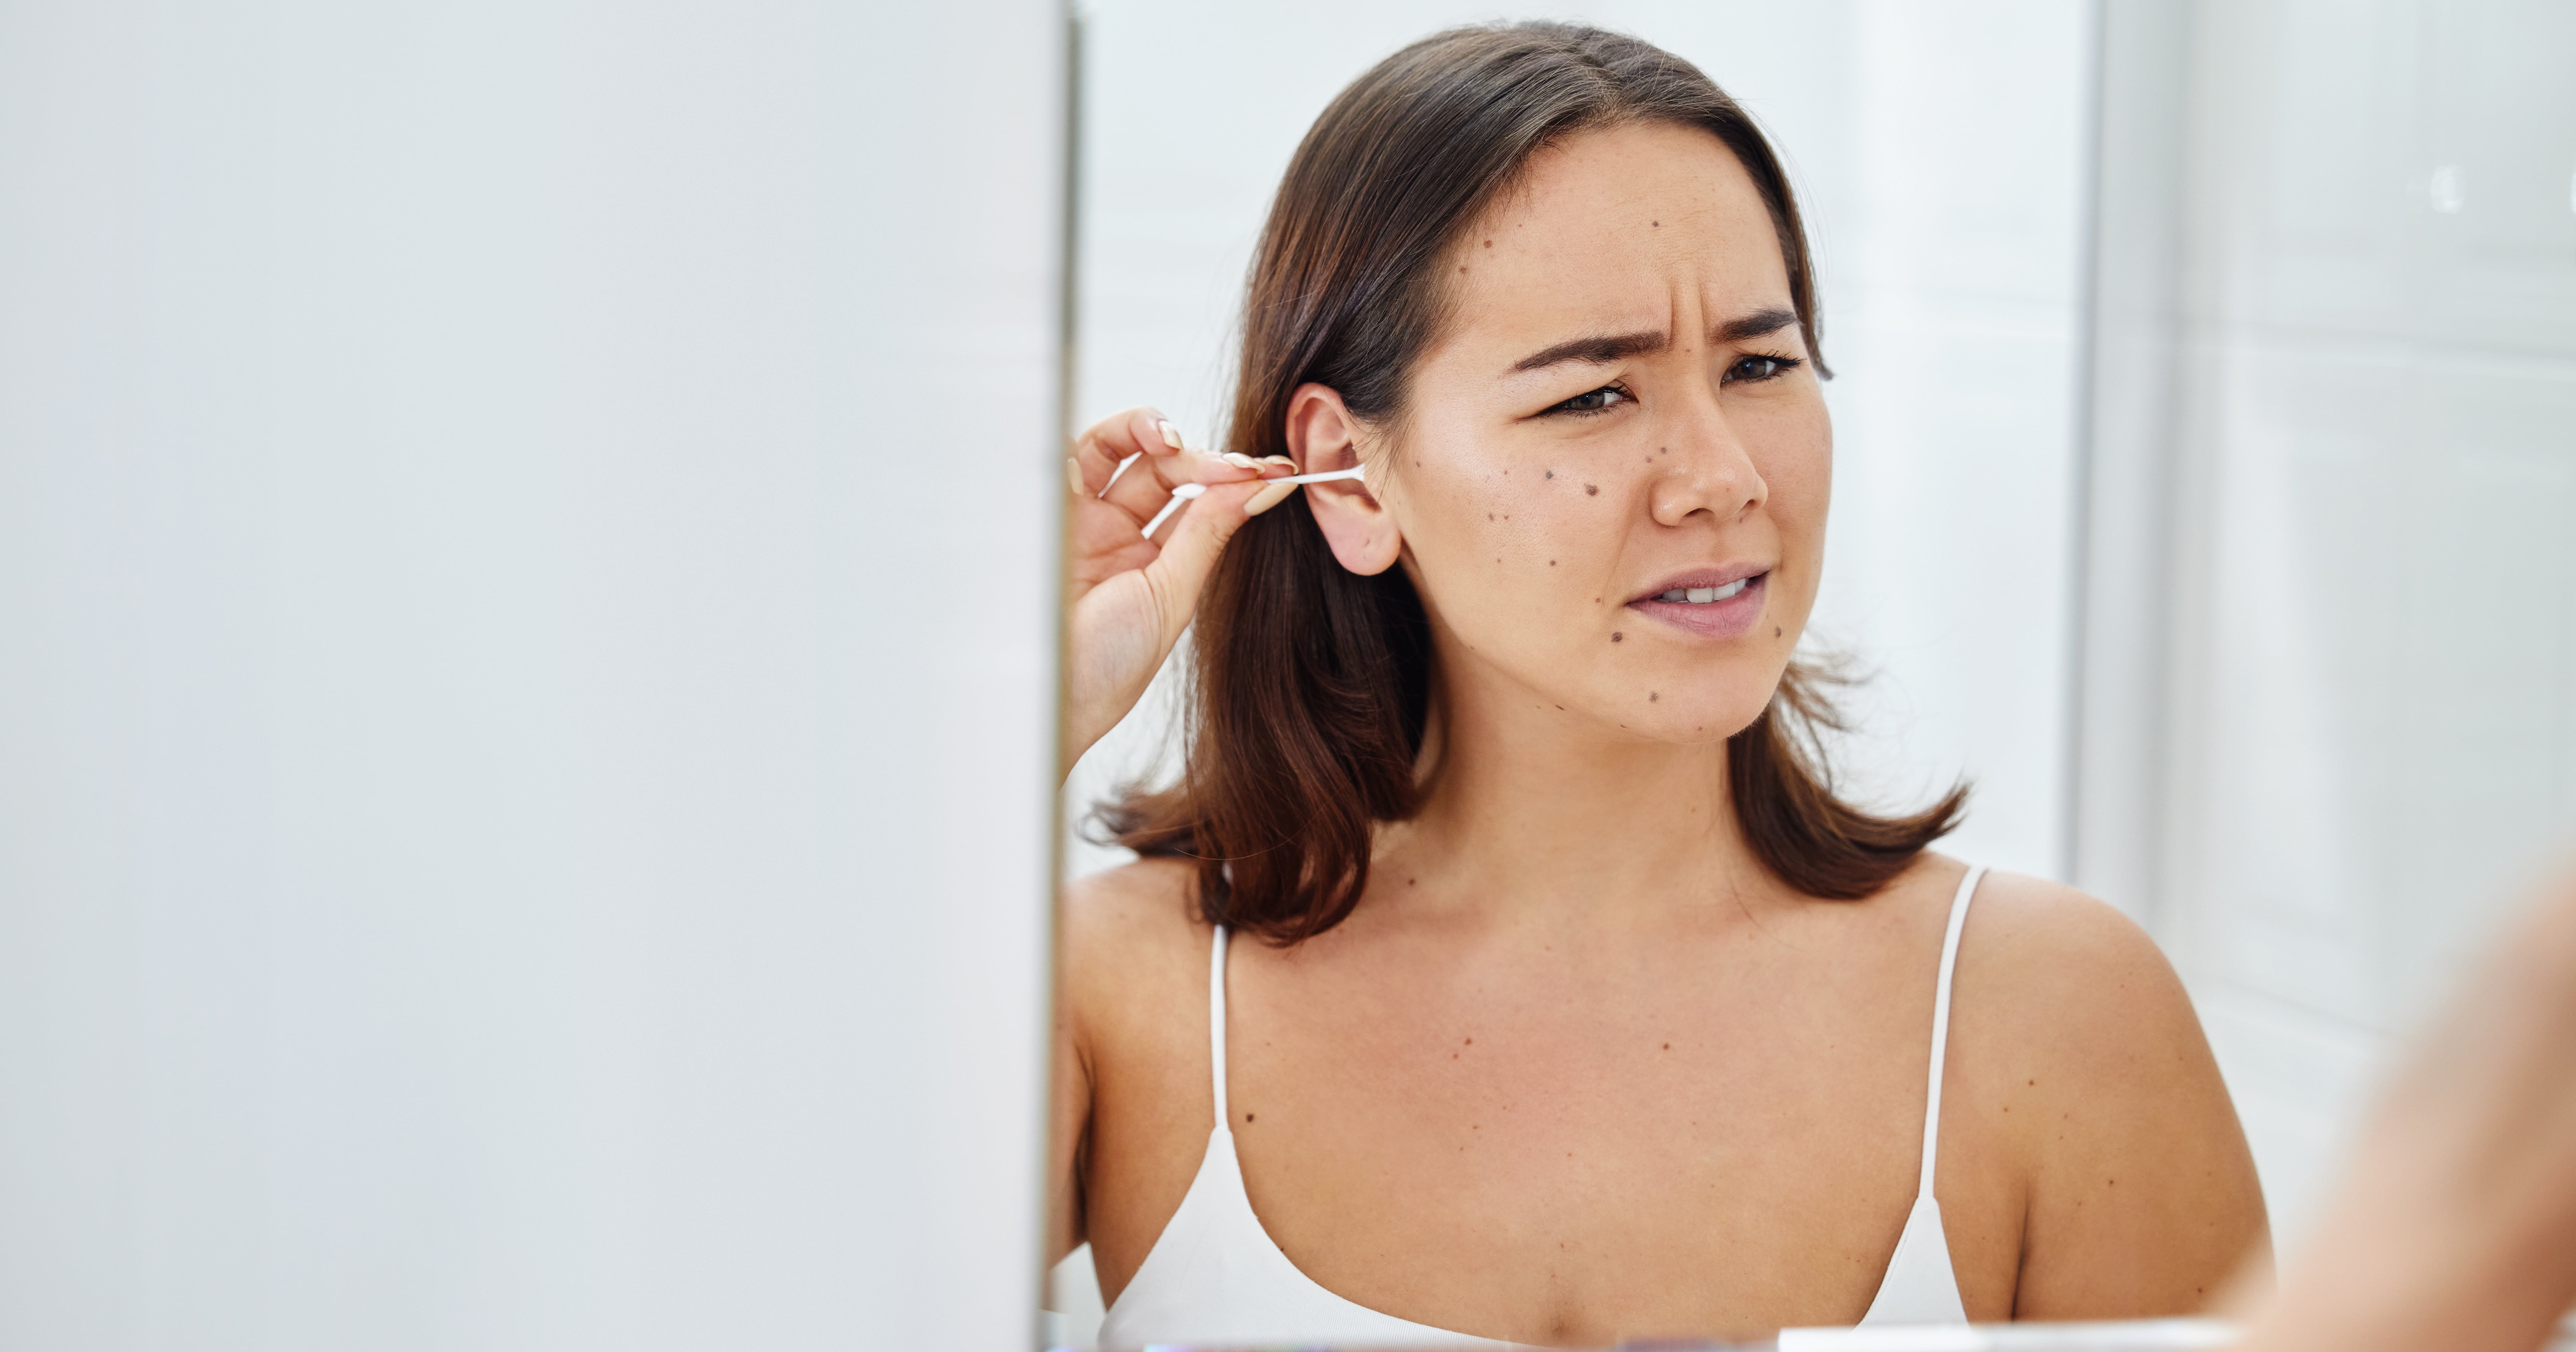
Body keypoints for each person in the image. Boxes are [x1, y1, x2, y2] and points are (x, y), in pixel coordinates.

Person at [1053, 23, 2266, 1348]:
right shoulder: (1126, 997)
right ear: (1345, 470)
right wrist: (1022, 727)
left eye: (1759, 366)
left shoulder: (2052, 1020)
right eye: (1593, 396)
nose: (1722, 478)